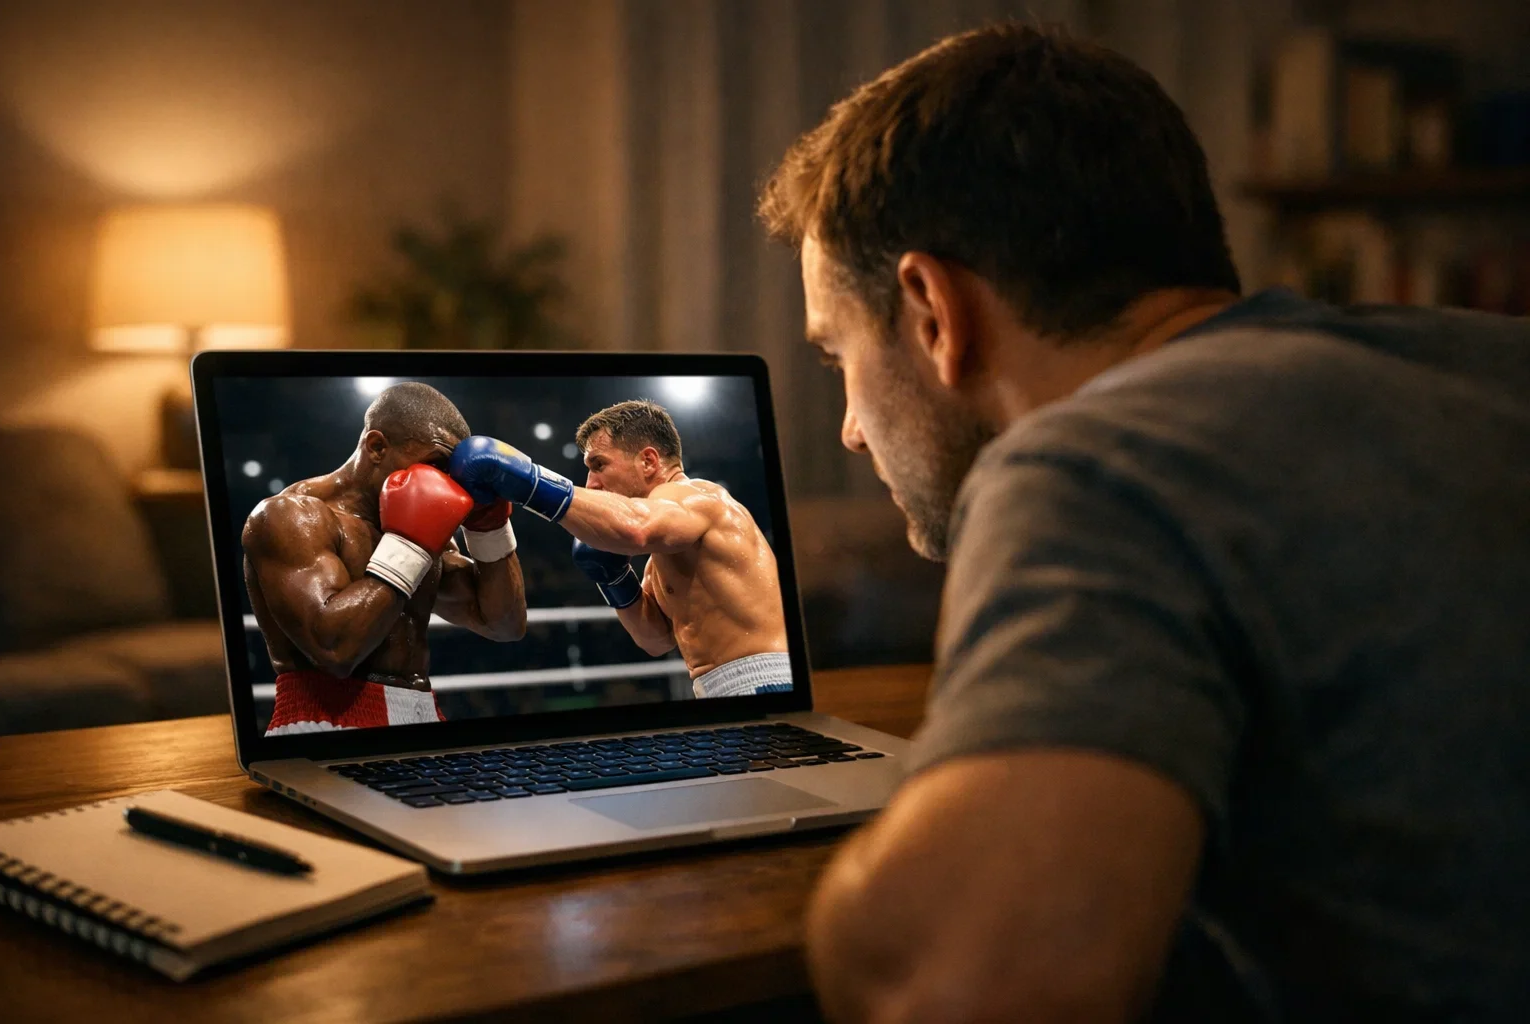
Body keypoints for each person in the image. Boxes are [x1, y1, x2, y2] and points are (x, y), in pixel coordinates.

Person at [754, 22, 1530, 1024]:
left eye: (836, 355)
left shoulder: (1102, 461)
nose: (852, 432)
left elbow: (949, 984)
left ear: (933, 310)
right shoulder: (1493, 359)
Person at [448, 399, 791, 698]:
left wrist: (527, 481)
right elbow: (655, 641)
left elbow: (635, 528)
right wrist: (614, 579)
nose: (592, 483)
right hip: (720, 688)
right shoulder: (662, 557)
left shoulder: (698, 497)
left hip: (762, 682)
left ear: (649, 461)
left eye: (599, 464)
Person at [243, 382, 527, 735]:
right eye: (434, 464)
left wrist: (491, 527)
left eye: (449, 474)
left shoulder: (425, 533)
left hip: (420, 713)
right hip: (324, 723)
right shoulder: (291, 517)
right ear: (377, 446)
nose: (440, 483)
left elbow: (504, 625)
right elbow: (334, 650)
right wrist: (409, 544)